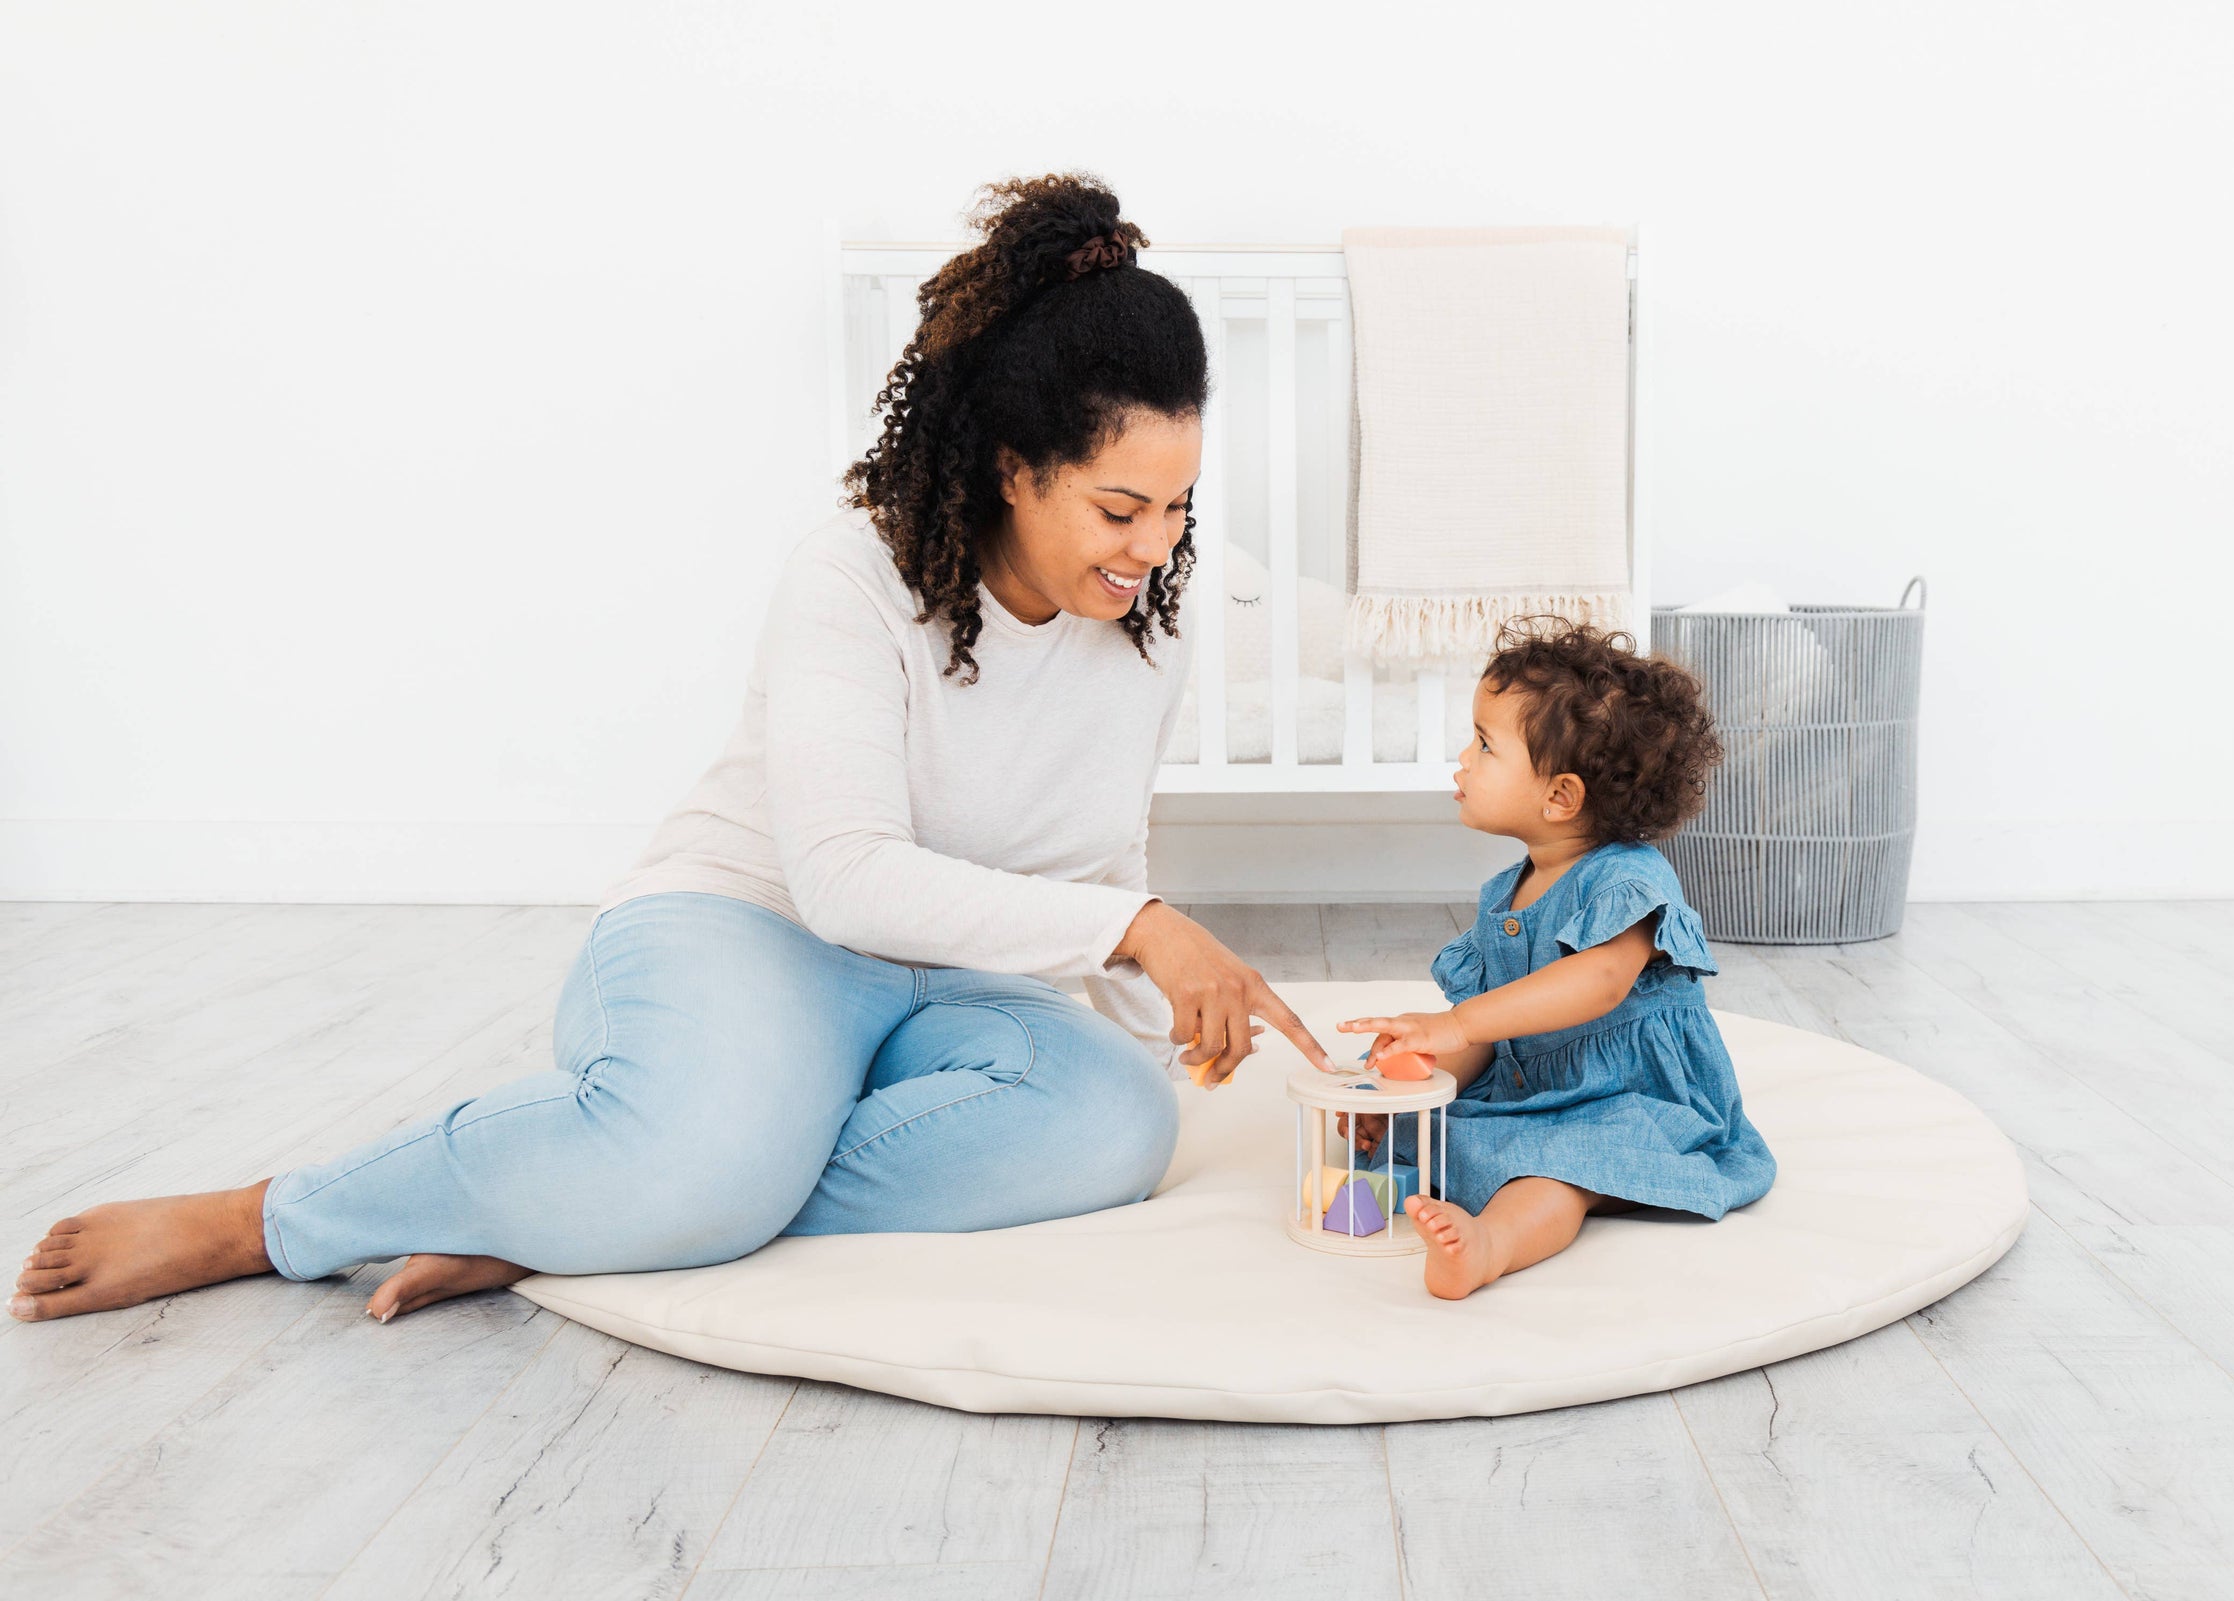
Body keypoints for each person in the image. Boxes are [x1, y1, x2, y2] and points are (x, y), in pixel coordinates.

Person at [12, 172, 1336, 1327]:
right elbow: (846, 877)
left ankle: (592, 1200)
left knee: (1112, 1123)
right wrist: (1143, 930)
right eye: (1120, 506)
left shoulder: (1145, 619)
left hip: (959, 984)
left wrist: (1141, 1025)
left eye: (1177, 505)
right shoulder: (852, 575)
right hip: (756, 928)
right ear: (1008, 465)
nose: (1155, 546)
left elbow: (1098, 852)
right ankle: (272, 1216)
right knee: (708, 1155)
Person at [1333, 616, 1775, 1299]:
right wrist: (1412, 1079)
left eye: (1484, 746)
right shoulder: (1506, 894)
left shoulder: (1628, 880)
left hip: (1631, 1099)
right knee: (1432, 1130)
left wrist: (1458, 1022)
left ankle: (1489, 1245)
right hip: (1540, 1090)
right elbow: (1491, 1040)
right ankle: (1419, 1154)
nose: (1462, 760)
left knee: (1558, 1173)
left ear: (1560, 795)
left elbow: (1596, 982)